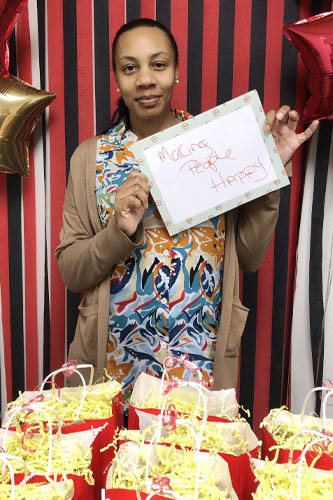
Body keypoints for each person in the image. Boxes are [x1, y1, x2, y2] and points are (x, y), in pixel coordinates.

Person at [55, 18, 318, 398]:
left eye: (158, 64)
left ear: (176, 73)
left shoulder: (216, 145)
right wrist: (118, 231)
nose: (145, 79)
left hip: (198, 363)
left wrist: (269, 174)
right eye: (131, 68)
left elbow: (247, 256)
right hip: (114, 365)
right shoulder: (90, 157)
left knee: (194, 458)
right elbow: (71, 272)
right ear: (117, 78)